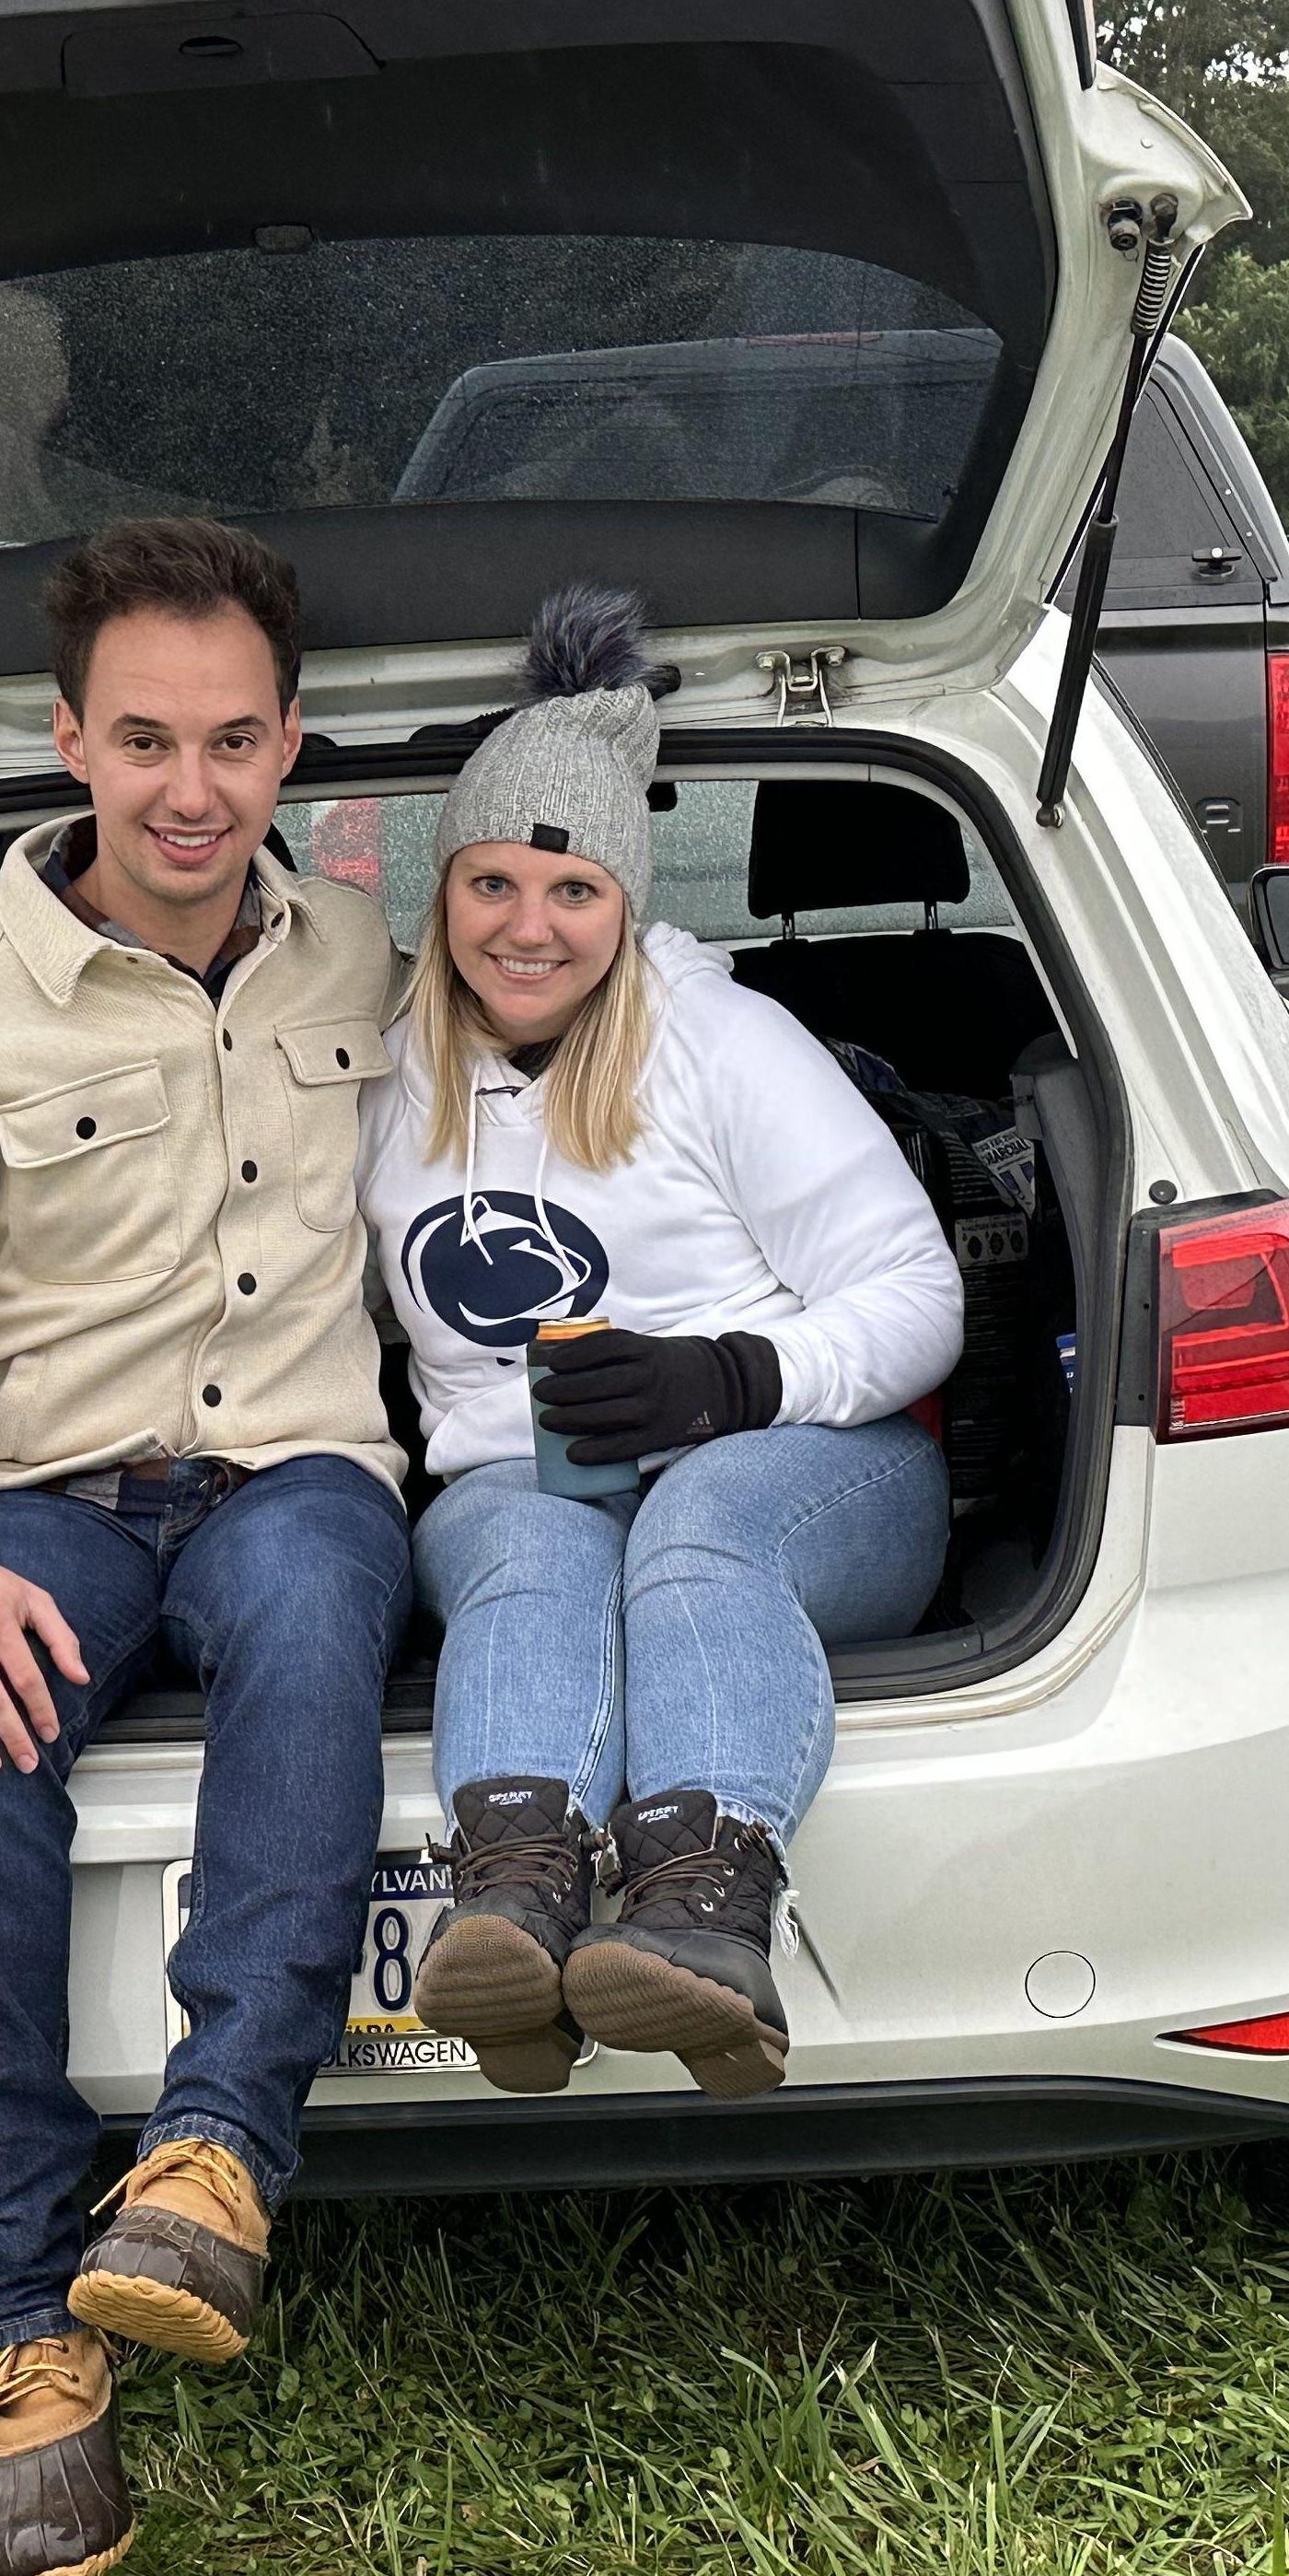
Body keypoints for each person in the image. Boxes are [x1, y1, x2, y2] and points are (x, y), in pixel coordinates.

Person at [0, 518, 410, 2576]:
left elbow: (559, 1039)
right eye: (144, 739)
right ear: (66, 739)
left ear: (290, 743)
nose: (189, 789)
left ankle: (214, 2158)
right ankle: (20, 2328)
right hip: (41, 1498)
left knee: (317, 1617)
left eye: (233, 740)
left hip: (298, 1468)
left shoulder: (360, 958)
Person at [358, 587, 963, 2102]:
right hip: (531, 1479)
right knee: (519, 1542)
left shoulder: (721, 1042)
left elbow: (919, 1295)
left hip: (804, 1463)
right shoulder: (385, 1076)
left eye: (572, 890)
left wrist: (732, 1378)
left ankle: (703, 1925)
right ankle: (514, 1915)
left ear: (625, 899)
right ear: (444, 892)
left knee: (698, 1530)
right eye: (493, 883)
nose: (529, 927)